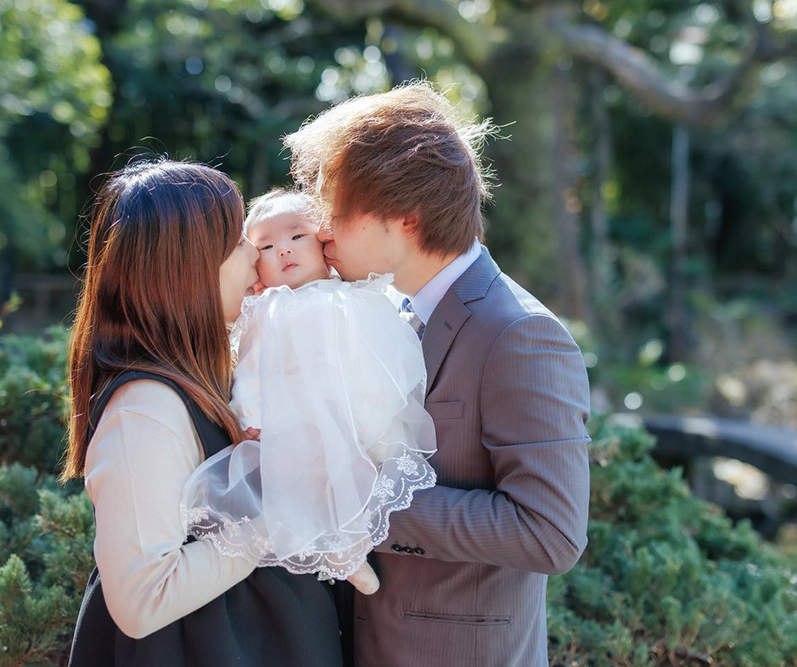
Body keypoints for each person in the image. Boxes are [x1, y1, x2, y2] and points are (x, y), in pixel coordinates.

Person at [283, 82, 592, 667]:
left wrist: (364, 499)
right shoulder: (385, 311)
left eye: (336, 213)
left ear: (405, 217)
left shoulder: (521, 335)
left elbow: (550, 533)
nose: (321, 231)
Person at [62, 160, 344, 666]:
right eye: (237, 243)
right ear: (189, 269)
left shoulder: (206, 378)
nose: (255, 255)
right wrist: (281, 515)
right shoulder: (144, 411)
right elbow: (142, 601)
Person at [181, 189, 437, 597]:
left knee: (364, 475)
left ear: (324, 242)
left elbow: (379, 350)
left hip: (358, 411)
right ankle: (343, 553)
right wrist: (250, 417)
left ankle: (353, 539)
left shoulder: (355, 294)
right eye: (266, 246)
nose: (284, 250)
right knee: (304, 484)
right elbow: (252, 371)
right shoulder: (268, 310)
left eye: (297, 236)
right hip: (298, 422)